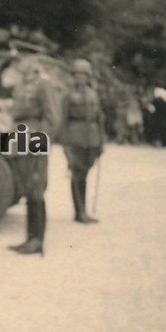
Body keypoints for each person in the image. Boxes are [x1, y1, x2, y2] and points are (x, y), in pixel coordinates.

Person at [8, 58, 58, 255]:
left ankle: (38, 240)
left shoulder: (43, 85)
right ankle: (29, 238)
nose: (19, 66)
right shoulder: (20, 85)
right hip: (20, 137)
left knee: (36, 188)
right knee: (27, 188)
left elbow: (51, 117)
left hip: (34, 137)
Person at [59, 59, 105, 224]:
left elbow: (99, 118)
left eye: (83, 75)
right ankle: (79, 212)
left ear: (88, 76)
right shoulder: (68, 94)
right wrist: (65, 144)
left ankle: (83, 210)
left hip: (91, 138)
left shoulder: (93, 93)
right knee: (77, 174)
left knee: (84, 174)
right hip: (75, 137)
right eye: (77, 74)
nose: (80, 78)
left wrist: (101, 141)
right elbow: (62, 121)